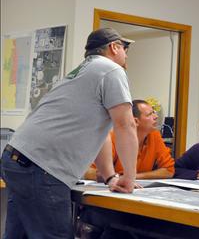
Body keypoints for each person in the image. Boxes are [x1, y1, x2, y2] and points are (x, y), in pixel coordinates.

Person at [1, 27, 139, 238]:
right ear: (114, 47)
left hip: (17, 158)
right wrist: (129, 177)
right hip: (43, 167)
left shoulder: (83, 72)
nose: (127, 55)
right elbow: (126, 125)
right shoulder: (111, 70)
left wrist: (110, 175)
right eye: (125, 48)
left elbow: (100, 134)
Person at [84, 99, 175, 180]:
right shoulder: (113, 137)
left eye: (154, 112)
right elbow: (89, 172)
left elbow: (169, 170)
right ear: (135, 121)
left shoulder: (154, 135)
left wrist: (132, 177)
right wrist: (116, 179)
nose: (156, 116)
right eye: (150, 114)